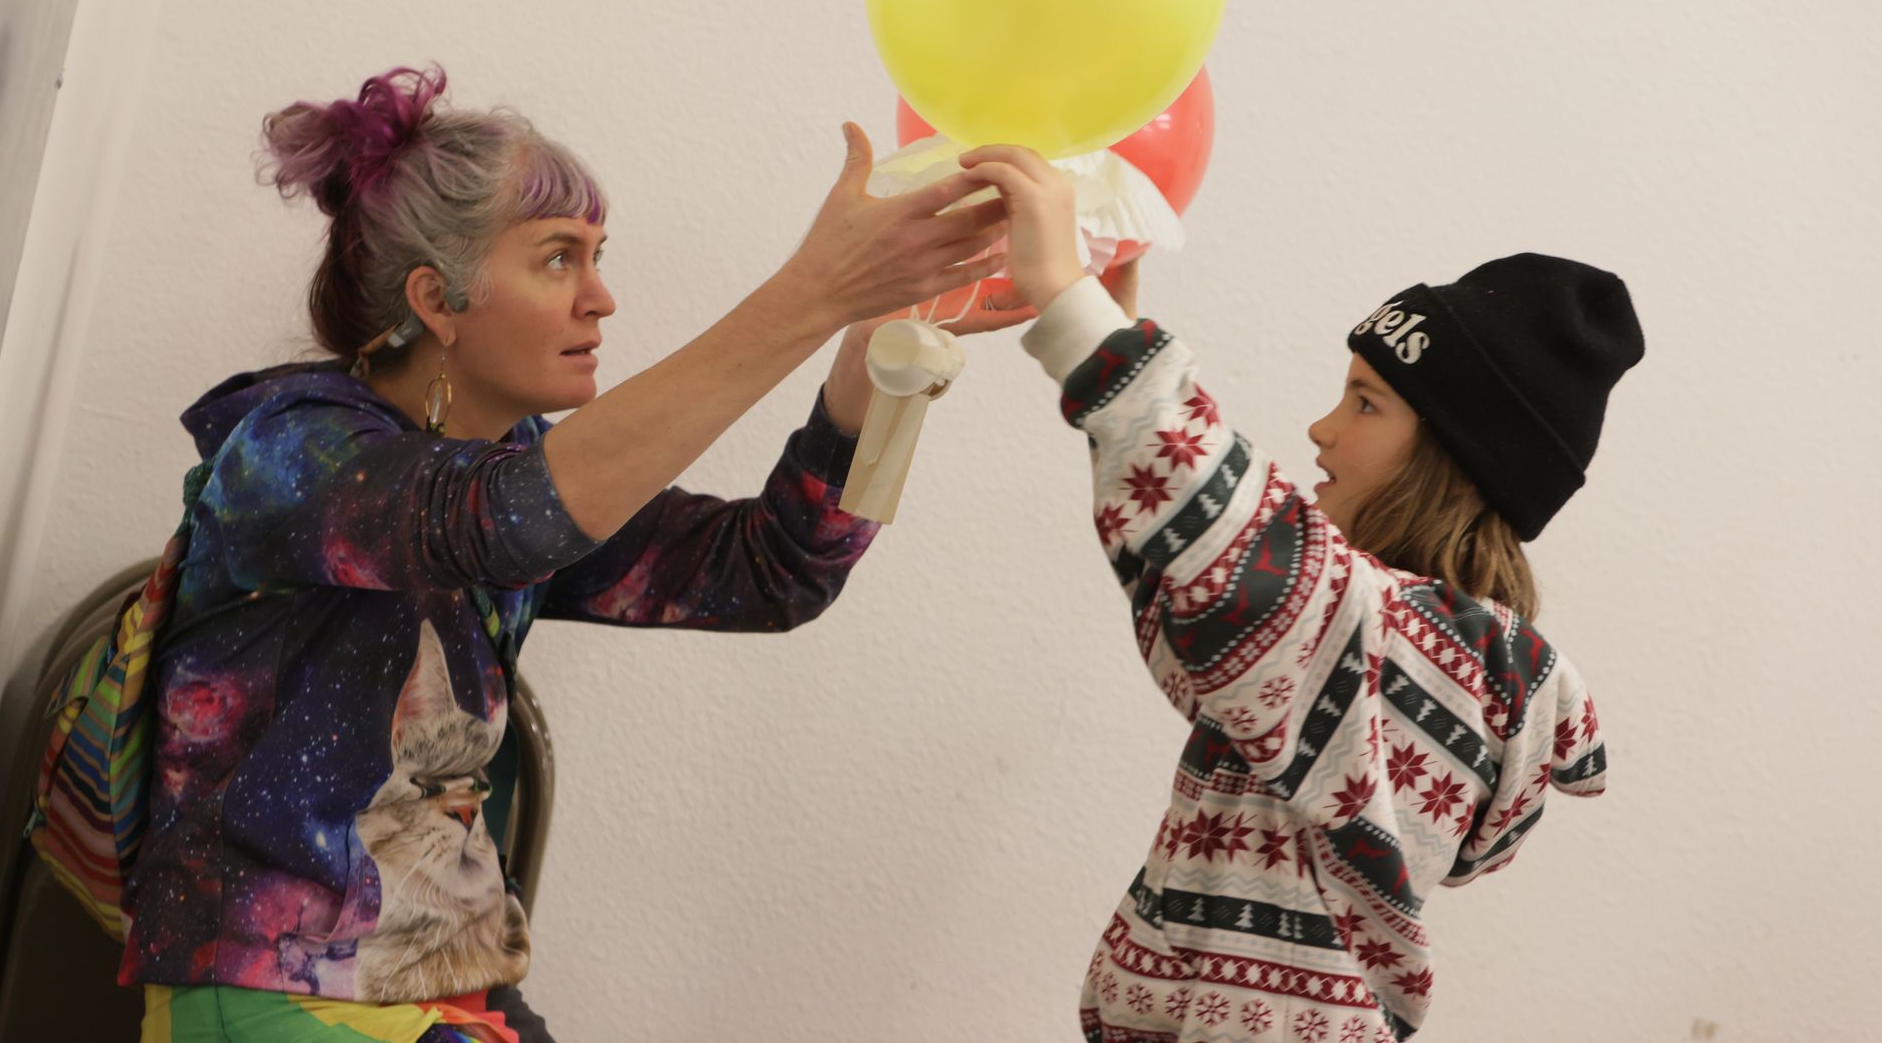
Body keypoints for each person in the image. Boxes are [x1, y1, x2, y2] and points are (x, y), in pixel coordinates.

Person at [121, 65, 1029, 1042]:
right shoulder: (291, 452)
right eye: (559, 258)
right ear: (439, 297)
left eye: (597, 256)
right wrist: (810, 292)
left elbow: (769, 572)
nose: (600, 297)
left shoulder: (507, 466)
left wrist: (871, 357)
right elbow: (511, 520)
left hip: (451, 988)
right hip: (276, 994)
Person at [969, 144, 1642, 1041]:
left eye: (1366, 404)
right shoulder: (1350, 651)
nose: (1322, 429)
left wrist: (1077, 312)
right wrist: (1107, 372)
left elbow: (1242, 556)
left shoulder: (1433, 654)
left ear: (1453, 457)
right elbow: (1196, 604)